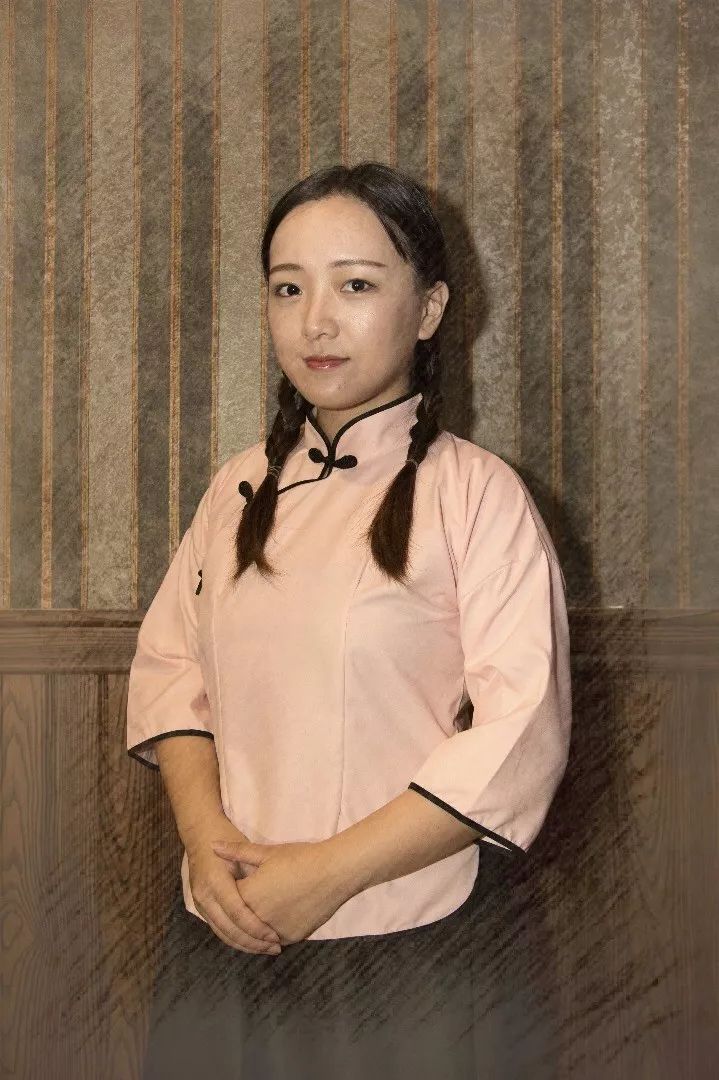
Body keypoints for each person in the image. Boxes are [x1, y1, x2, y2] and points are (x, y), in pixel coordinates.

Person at [126, 161, 572, 1079]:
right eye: (288, 289)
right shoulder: (234, 488)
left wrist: (325, 873)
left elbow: (517, 731)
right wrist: (206, 848)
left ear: (430, 308)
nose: (315, 322)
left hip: (412, 943)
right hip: (226, 925)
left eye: (356, 286)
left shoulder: (476, 493)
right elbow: (173, 674)